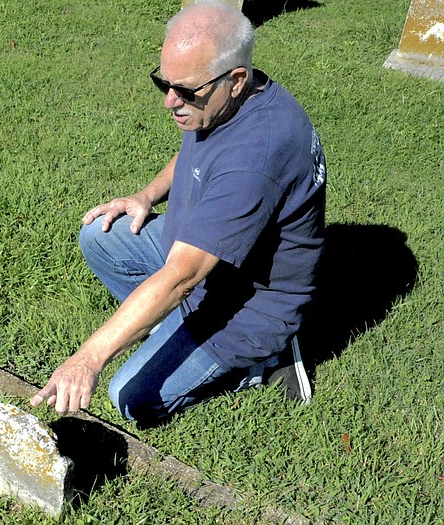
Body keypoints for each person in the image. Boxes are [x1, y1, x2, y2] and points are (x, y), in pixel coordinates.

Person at [30, 0, 326, 425]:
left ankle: (261, 360)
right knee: (101, 234)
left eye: (186, 90)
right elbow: (197, 150)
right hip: (209, 256)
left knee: (129, 397)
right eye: (164, 83)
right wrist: (146, 196)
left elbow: (182, 277)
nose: (171, 101)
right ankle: (165, 328)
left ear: (236, 78)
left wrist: (88, 360)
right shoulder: (220, 103)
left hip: (250, 305)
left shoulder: (257, 154)